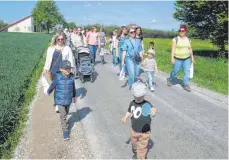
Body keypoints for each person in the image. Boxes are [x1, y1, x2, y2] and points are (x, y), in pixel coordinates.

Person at [121, 81, 157, 159]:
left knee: (142, 148)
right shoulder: (132, 103)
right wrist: (125, 117)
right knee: (134, 144)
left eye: (140, 97)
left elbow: (153, 109)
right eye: (136, 97)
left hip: (145, 131)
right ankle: (136, 152)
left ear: (144, 95)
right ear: (133, 95)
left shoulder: (147, 104)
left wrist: (153, 111)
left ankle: (141, 157)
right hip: (134, 129)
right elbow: (129, 111)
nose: (138, 99)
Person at [43, 32, 75, 113]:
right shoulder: (51, 49)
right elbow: (48, 61)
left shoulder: (67, 48)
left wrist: (72, 69)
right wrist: (45, 69)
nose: (60, 41)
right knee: (56, 88)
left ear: (64, 39)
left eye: (62, 39)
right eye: (58, 39)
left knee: (62, 88)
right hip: (54, 72)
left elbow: (71, 59)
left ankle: (62, 104)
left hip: (64, 72)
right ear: (56, 39)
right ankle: (57, 104)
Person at [46, 60, 77, 141]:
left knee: (66, 113)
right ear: (61, 69)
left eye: (69, 69)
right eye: (66, 69)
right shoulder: (58, 78)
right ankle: (65, 131)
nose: (68, 70)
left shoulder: (71, 78)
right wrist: (48, 91)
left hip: (68, 100)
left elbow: (73, 88)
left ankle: (64, 121)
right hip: (59, 100)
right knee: (63, 114)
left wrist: (74, 96)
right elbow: (52, 85)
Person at [167, 25, 194, 92]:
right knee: (175, 71)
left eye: (182, 31)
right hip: (177, 58)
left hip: (187, 58)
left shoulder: (188, 39)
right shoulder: (175, 39)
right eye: (180, 31)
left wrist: (192, 57)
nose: (181, 32)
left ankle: (186, 84)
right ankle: (170, 79)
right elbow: (173, 50)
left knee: (187, 72)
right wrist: (172, 58)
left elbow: (190, 49)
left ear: (185, 31)